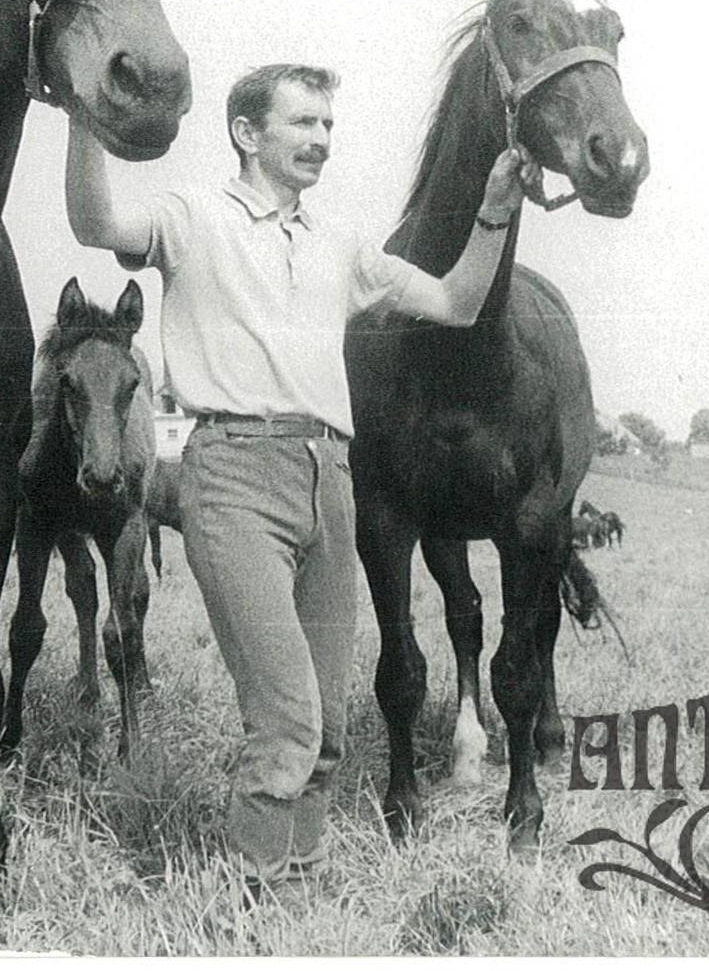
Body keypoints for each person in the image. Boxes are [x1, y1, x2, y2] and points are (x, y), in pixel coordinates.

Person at [65, 62, 528, 896]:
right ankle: (251, 906)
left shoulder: (339, 244)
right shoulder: (192, 216)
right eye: (303, 123)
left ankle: (299, 896)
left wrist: (495, 212)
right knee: (287, 722)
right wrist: (82, 116)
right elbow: (95, 221)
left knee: (328, 734)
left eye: (327, 126)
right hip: (233, 475)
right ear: (247, 133)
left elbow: (458, 302)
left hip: (330, 478)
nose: (321, 140)